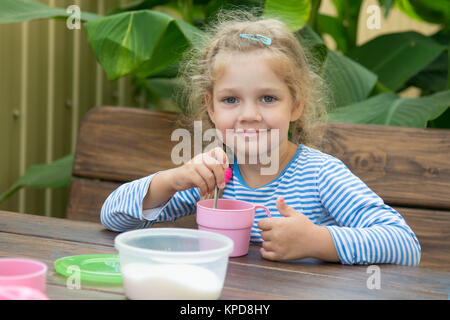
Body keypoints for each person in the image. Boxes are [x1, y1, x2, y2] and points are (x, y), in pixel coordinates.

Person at [100, 10, 421, 266]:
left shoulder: (320, 175)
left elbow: (404, 244)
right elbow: (112, 217)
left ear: (296, 105)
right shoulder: (216, 176)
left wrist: (318, 241)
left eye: (268, 98)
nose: (249, 115)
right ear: (210, 107)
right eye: (230, 100)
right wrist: (172, 180)